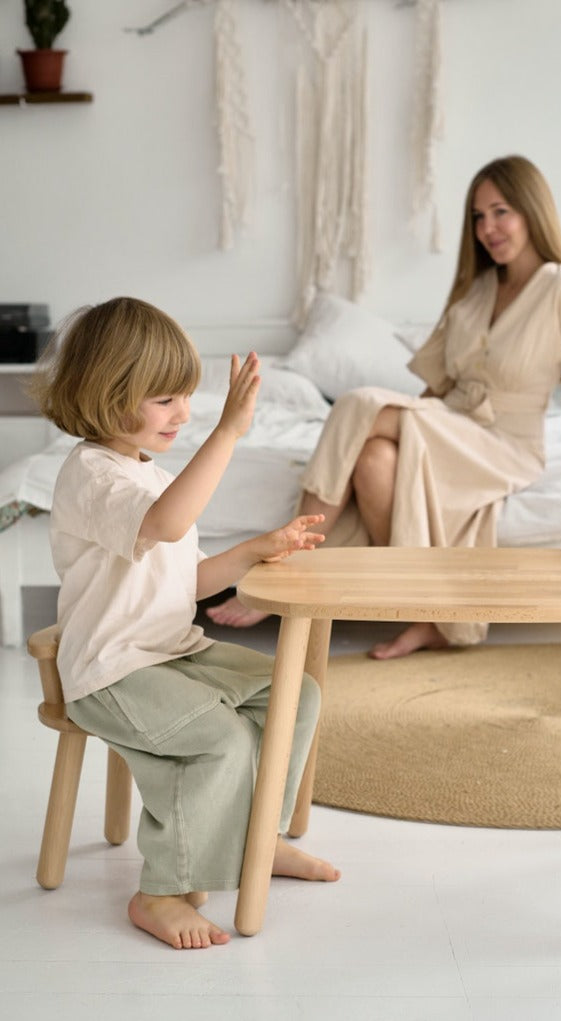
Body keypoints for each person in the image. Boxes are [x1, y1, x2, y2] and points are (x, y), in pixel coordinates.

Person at [207, 154, 561, 656]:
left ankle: (287, 571)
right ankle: (429, 617)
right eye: (478, 216)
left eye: (500, 210)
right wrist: (399, 431)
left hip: (506, 445)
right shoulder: (476, 291)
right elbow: (435, 392)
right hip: (452, 427)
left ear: (532, 210)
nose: (488, 227)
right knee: (376, 459)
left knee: (360, 405)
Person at [31, 297, 340, 950]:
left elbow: (187, 578)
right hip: (111, 668)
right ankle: (161, 890)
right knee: (219, 739)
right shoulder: (91, 475)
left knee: (297, 693)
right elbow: (166, 523)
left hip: (169, 648)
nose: (184, 414)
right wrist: (228, 432)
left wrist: (253, 549)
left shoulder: (146, 473)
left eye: (186, 398)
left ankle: (262, 837)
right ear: (108, 394)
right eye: (164, 400)